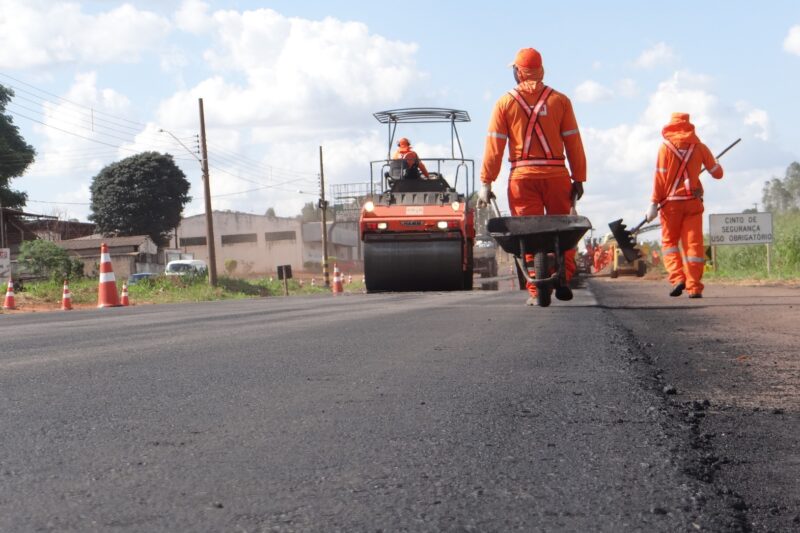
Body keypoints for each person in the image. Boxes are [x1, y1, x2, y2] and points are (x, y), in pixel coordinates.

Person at [478, 47, 587, 305]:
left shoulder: (505, 103)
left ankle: (537, 290)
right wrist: (579, 177)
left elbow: (495, 147)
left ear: (518, 72)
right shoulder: (560, 101)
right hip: (557, 177)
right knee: (565, 229)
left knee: (527, 234)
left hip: (522, 179)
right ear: (541, 71)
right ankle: (563, 277)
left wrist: (486, 181)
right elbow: (574, 143)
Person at [645, 112, 723, 298]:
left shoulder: (665, 148)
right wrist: (717, 163)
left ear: (670, 126)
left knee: (670, 244)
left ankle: (678, 278)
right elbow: (717, 174)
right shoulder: (700, 147)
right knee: (693, 245)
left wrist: (653, 203)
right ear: (689, 126)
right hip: (693, 204)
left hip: (670, 205)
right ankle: (694, 286)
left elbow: (659, 178)